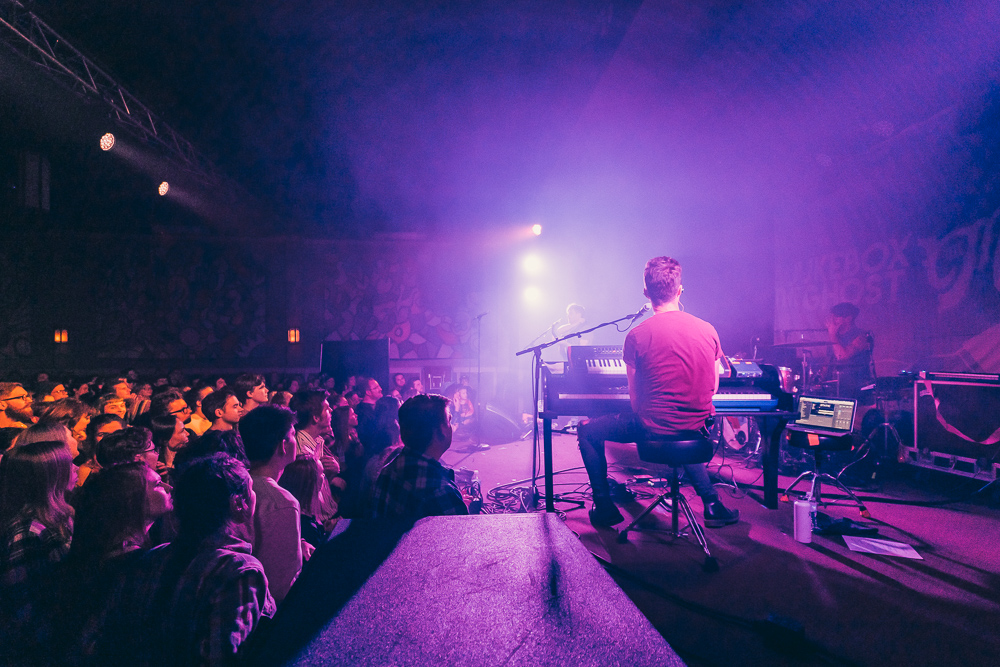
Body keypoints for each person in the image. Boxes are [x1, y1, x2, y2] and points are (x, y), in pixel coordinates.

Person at [577, 256, 739, 528]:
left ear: (645, 292)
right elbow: (713, 387)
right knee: (681, 425)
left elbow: (636, 401)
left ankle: (604, 506)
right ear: (680, 290)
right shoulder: (708, 330)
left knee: (587, 430)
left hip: (653, 430)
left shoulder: (636, 336)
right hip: (698, 430)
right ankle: (711, 503)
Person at [100, 454, 275, 665]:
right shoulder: (240, 571)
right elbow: (221, 660)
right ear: (238, 504)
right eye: (251, 490)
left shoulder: (151, 557)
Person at [0, 440, 76, 660]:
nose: (77, 468)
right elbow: (18, 600)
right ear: (51, 477)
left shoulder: (61, 516)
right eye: (69, 465)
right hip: (40, 644)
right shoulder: (29, 531)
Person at [241, 405, 305, 604]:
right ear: (283, 446)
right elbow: (281, 586)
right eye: (293, 434)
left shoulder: (238, 484)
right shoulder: (282, 503)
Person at [370, 394, 468, 521]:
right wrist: (466, 509)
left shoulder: (388, 469)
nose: (451, 426)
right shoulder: (440, 490)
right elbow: (462, 536)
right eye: (449, 420)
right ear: (441, 431)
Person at [823, 301, 874, 399]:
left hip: (855, 389)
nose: (832, 321)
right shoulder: (836, 337)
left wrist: (832, 335)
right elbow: (828, 361)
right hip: (835, 388)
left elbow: (841, 357)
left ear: (848, 318)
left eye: (836, 317)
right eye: (832, 317)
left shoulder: (861, 336)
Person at [0, 382, 36, 452]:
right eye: (22, 397)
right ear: (2, 404)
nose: (30, 400)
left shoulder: (30, 431)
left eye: (28, 396)